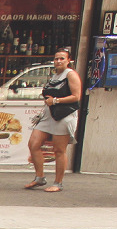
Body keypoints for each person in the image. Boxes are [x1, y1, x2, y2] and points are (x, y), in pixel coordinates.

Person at [24, 47, 82, 193]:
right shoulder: (54, 76)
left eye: (62, 58)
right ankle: (39, 177)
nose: (58, 61)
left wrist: (56, 101)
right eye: (56, 58)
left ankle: (58, 182)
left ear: (69, 60)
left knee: (59, 150)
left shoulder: (71, 75)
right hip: (49, 115)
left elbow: (76, 96)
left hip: (64, 116)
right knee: (33, 143)